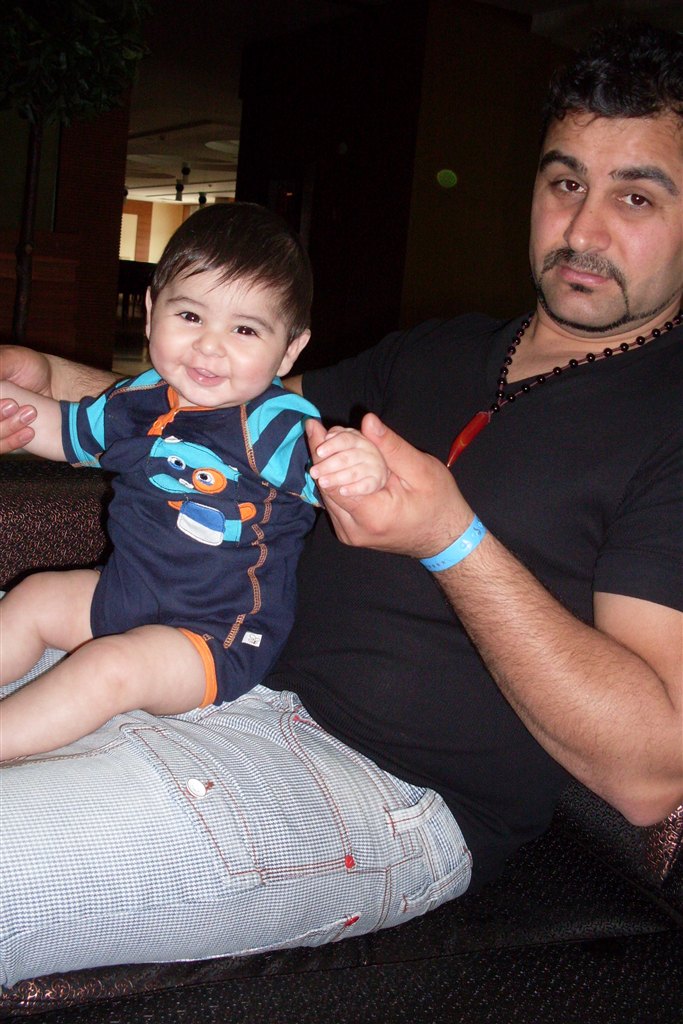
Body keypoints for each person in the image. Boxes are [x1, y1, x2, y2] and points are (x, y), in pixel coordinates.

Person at [0, 21, 681, 988]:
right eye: (566, 182)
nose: (583, 230)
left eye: (636, 195)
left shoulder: (669, 423)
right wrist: (42, 386)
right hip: (216, 668)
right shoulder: (438, 349)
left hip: (384, 790)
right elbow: (220, 402)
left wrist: (449, 540)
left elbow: (651, 771)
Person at [0, 203, 388, 760]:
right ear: (152, 311)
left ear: (290, 349)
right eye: (189, 316)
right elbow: (64, 430)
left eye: (245, 329)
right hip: (126, 594)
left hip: (216, 637)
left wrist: (360, 469)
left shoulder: (276, 425)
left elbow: (342, 490)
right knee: (35, 597)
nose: (210, 345)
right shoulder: (138, 398)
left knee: (110, 666)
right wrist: (10, 403)